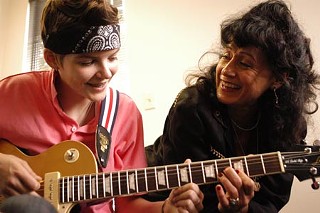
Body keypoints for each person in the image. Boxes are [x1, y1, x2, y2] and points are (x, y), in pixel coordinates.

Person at [0, 0, 204, 212]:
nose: (106, 73)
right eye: (87, 62)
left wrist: (165, 208)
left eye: (113, 57)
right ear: (52, 59)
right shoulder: (12, 93)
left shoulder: (126, 113)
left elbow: (128, 205)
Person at [145, 0, 320, 212]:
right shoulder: (191, 107)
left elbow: (272, 201)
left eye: (244, 63)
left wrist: (243, 209)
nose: (226, 70)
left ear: (277, 79)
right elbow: (191, 199)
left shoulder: (288, 125)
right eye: (226, 56)